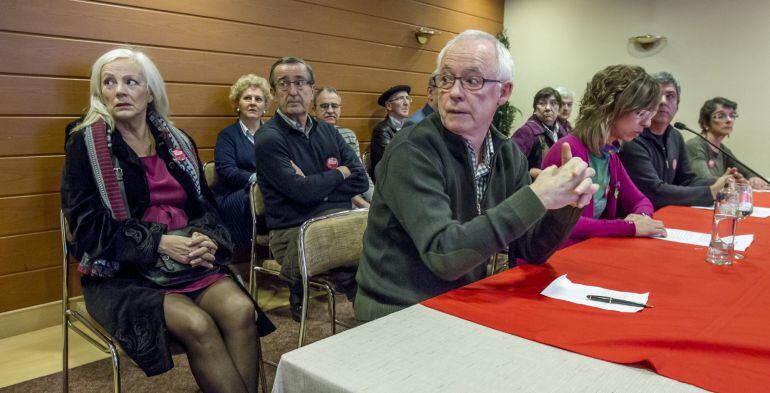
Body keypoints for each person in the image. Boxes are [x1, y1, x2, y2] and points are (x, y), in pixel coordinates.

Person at [61, 48, 274, 393]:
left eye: (131, 82)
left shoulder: (177, 141)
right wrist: (159, 241)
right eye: (109, 83)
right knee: (198, 325)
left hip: (188, 262)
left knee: (240, 310)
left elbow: (207, 208)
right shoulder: (84, 143)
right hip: (123, 274)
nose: (120, 90)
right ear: (99, 92)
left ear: (150, 92)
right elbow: (86, 230)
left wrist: (209, 239)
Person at [354, 30, 597, 323]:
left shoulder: (507, 155)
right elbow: (443, 254)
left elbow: (532, 250)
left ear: (504, 93)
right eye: (445, 79)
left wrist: (565, 202)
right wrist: (536, 196)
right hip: (398, 313)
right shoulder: (411, 150)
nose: (454, 92)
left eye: (472, 81)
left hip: (463, 301)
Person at [254, 57, 369, 321]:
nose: (293, 91)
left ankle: (374, 316)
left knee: (378, 240)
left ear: (312, 89)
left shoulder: (327, 132)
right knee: (362, 256)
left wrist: (313, 184)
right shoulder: (268, 138)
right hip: (294, 231)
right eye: (283, 84)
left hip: (335, 221)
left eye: (300, 82)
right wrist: (339, 173)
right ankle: (369, 317)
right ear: (273, 92)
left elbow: (361, 180)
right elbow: (301, 192)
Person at [541, 65, 666, 245]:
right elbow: (567, 224)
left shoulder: (610, 154)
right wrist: (629, 226)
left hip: (587, 252)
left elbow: (640, 200)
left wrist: (641, 217)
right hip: (557, 258)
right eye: (640, 113)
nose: (647, 123)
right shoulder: (568, 150)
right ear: (610, 108)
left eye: (649, 115)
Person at [619, 71, 738, 209]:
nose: (663, 101)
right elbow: (654, 191)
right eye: (657, 95)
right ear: (645, 102)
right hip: (636, 217)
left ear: (677, 105)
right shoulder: (633, 137)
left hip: (666, 213)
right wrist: (710, 192)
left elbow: (686, 180)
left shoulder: (675, 136)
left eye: (670, 96)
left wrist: (722, 182)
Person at [213, 74, 272, 247]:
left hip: (269, 192)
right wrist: (256, 179)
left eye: (258, 99)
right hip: (236, 195)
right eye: (247, 98)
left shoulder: (274, 135)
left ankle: (291, 237)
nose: (253, 102)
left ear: (265, 106)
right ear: (238, 104)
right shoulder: (227, 136)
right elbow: (226, 170)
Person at [686, 97, 768, 189]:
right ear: (705, 122)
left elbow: (747, 172)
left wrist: (754, 179)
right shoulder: (695, 145)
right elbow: (704, 180)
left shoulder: (723, 150)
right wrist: (733, 181)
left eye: (732, 115)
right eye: (721, 116)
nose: (729, 120)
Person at [313, 86, 375, 206]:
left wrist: (375, 200)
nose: (330, 110)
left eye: (335, 106)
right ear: (314, 110)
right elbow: (328, 184)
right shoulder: (309, 137)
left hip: (358, 193)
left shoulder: (349, 135)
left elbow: (361, 172)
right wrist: (364, 205)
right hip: (333, 201)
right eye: (324, 106)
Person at [512, 87, 569, 169]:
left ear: (559, 109)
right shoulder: (527, 131)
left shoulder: (563, 131)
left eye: (553, 103)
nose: (548, 108)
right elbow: (511, 165)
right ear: (535, 109)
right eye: (542, 104)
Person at [369, 84, 411, 182]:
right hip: (390, 182)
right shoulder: (382, 130)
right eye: (401, 98)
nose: (406, 103)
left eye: (408, 98)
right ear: (389, 105)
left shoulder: (411, 127)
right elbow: (393, 163)